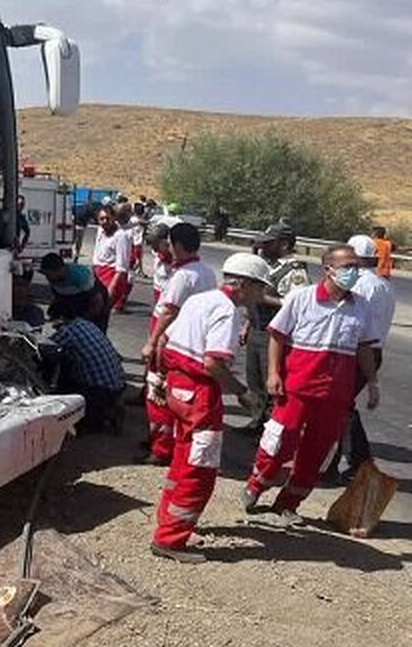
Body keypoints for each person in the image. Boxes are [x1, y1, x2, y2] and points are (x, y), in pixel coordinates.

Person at [243, 244, 382, 526]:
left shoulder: (361, 306)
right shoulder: (302, 298)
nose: (354, 272)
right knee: (280, 442)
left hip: (335, 394)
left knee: (318, 453)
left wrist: (373, 382)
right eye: (348, 267)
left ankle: (288, 504)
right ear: (328, 269)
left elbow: (364, 348)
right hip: (298, 388)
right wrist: (273, 374)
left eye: (357, 266)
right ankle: (257, 485)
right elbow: (278, 336)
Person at [150, 253, 270, 564]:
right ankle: (170, 540)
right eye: (260, 288)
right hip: (199, 395)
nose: (262, 296)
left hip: (178, 385)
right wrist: (242, 392)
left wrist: (163, 378)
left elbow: (165, 339)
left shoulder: (199, 300)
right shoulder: (226, 311)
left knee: (181, 459)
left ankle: (168, 521)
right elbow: (213, 362)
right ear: (244, 285)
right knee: (199, 469)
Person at [139, 221, 217, 465]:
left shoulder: (184, 276)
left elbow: (169, 312)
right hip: (188, 341)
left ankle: (161, 449)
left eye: (171, 243)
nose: (168, 247)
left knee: (157, 392)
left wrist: (152, 343)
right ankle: (162, 440)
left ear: (178, 245)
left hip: (168, 339)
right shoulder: (206, 271)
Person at [327, 235, 396, 479]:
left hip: (356, 352)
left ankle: (351, 461)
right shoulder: (384, 284)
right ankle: (352, 460)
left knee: (338, 407)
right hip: (373, 351)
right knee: (342, 406)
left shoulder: (360, 285)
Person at [239, 223, 309, 432]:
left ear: (284, 244)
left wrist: (264, 299)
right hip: (257, 328)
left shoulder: (294, 270)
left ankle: (271, 426)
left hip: (275, 332)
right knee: (254, 378)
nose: (263, 248)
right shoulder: (269, 266)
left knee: (270, 379)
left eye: (269, 244)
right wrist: (248, 324)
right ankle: (256, 421)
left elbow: (296, 303)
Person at [50, 307, 126, 433]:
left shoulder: (67, 331)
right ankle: (110, 407)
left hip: (99, 390)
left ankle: (97, 416)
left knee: (64, 381)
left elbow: (48, 347)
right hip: (118, 382)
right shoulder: (87, 324)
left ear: (61, 319)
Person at [40, 252, 111, 332]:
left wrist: (84, 322)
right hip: (74, 301)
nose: (47, 277)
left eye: (48, 274)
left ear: (59, 269)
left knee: (92, 331)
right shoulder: (53, 279)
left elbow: (97, 303)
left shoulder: (80, 277)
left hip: (93, 301)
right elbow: (58, 298)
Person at [92, 207, 133, 313]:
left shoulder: (121, 236)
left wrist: (111, 290)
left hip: (111, 276)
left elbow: (121, 267)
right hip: (98, 274)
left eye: (107, 218)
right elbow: (96, 254)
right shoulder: (100, 231)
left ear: (114, 218)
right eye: (101, 219)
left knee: (101, 312)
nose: (104, 222)